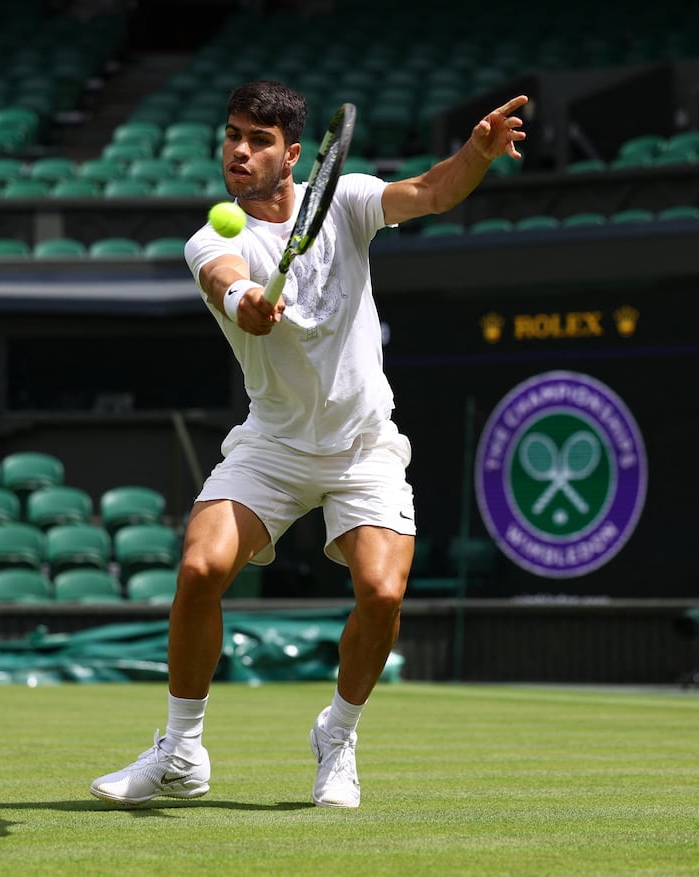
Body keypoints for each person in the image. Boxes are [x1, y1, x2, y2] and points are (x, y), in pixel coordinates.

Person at [90, 80, 527, 809]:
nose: (239, 150)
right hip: (274, 445)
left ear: (294, 155)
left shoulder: (349, 199)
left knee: (382, 592)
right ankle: (182, 749)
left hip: (364, 444)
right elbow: (223, 277)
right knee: (200, 568)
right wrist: (245, 301)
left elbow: (431, 192)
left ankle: (338, 734)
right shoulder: (215, 233)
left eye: (258, 140)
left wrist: (475, 153)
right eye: (233, 134)